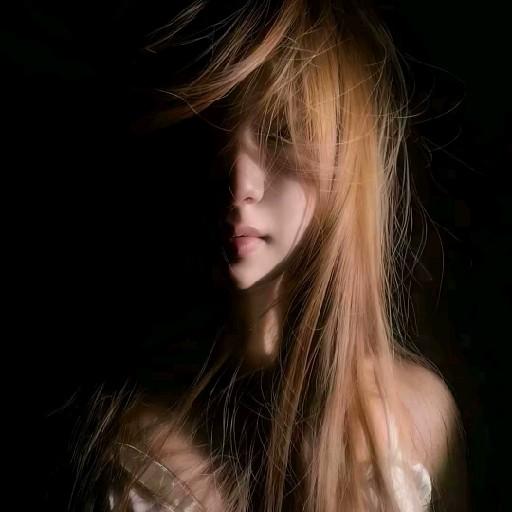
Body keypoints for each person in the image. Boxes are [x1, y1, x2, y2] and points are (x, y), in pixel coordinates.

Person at [72, 0, 469, 510]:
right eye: (216, 132)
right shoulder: (129, 435)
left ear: (345, 164)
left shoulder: (422, 418)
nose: (239, 182)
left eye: (282, 133)